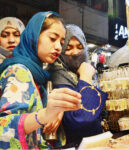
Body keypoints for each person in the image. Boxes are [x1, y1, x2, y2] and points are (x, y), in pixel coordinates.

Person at [0, 12, 82, 149]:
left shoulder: (38, 74)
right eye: (52, 38)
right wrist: (44, 115)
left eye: (61, 43)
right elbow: (4, 126)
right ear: (34, 36)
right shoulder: (19, 71)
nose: (58, 47)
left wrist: (56, 111)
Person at [47, 24, 108, 147]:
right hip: (73, 145)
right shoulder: (58, 75)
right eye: (68, 48)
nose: (75, 53)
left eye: (80, 47)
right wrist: (85, 78)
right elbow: (80, 118)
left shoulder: (88, 71)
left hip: (95, 143)